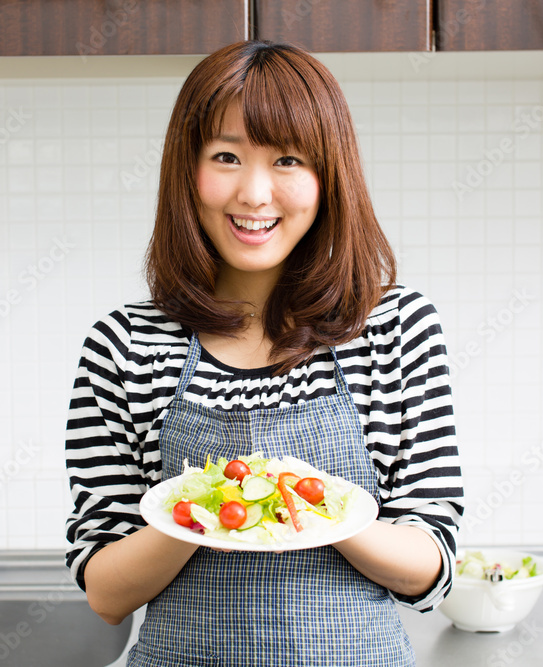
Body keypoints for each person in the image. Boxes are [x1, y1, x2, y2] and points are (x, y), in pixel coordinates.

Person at [65, 40, 463, 667]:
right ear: (185, 170)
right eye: (226, 156)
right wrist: (203, 511)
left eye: (288, 159)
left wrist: (305, 507)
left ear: (329, 176)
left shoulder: (394, 328)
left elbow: (430, 569)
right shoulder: (125, 345)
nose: (254, 193)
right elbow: (106, 592)